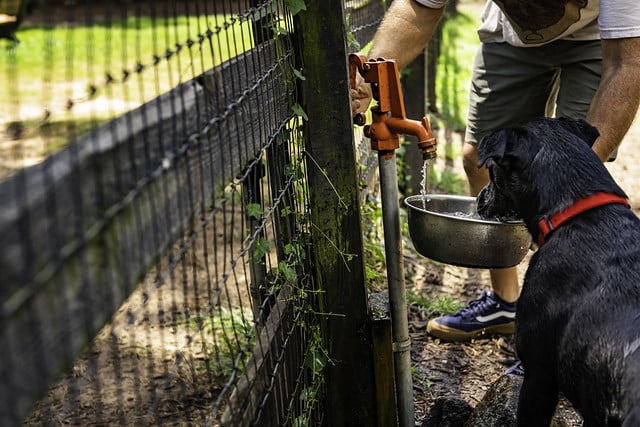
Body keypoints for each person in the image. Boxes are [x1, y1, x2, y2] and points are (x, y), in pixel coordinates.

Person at [352, 0, 640, 343]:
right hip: (511, 35)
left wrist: (576, 172)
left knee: (572, 186)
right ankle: (506, 304)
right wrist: (366, 79)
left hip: (601, 40)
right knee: (481, 159)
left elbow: (627, 63)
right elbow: (418, 7)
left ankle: (566, 327)